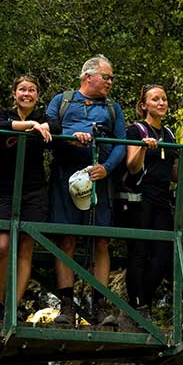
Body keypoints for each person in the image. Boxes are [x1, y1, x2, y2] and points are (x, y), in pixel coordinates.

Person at [45, 55, 126, 326]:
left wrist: (107, 167)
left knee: (101, 240)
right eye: (107, 77)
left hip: (100, 180)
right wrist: (70, 139)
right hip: (64, 177)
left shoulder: (113, 109)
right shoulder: (62, 100)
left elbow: (121, 143)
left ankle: (99, 306)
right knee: (66, 239)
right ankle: (66, 307)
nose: (110, 82)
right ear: (88, 76)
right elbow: (48, 132)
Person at [0, 74, 57, 324]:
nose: (26, 94)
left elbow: (58, 128)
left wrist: (41, 126)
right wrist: (31, 127)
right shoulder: (4, 115)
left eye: (31, 90)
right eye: (22, 90)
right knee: (2, 246)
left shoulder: (44, 119)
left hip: (34, 190)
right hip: (5, 190)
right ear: (14, 94)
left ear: (37, 95)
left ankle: (13, 309)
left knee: (25, 248)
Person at [114, 84, 177, 326]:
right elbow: (132, 166)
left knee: (163, 255)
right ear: (144, 105)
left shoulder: (170, 135)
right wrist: (143, 147)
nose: (161, 103)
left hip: (162, 198)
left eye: (163, 99)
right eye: (155, 99)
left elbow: (172, 170)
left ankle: (134, 307)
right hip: (139, 197)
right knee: (139, 252)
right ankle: (140, 306)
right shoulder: (136, 130)